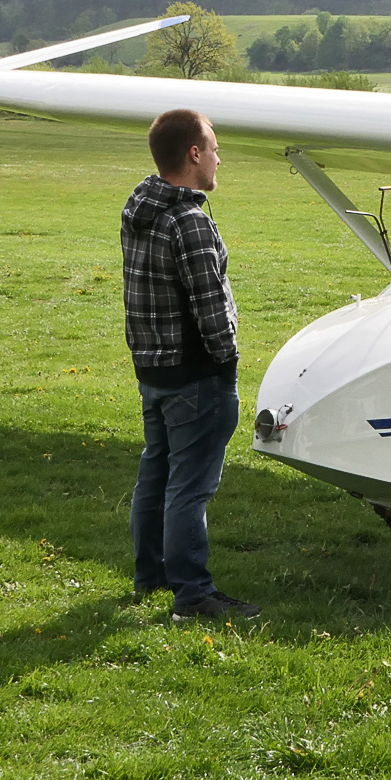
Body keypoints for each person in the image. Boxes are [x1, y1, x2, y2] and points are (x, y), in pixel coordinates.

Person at [121, 108, 260, 621]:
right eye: (215, 147)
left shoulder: (140, 208)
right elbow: (210, 307)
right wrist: (227, 363)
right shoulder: (189, 221)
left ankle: (150, 574)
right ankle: (193, 595)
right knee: (189, 487)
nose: (220, 156)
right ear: (194, 154)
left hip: (152, 370)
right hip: (195, 376)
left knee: (155, 475)